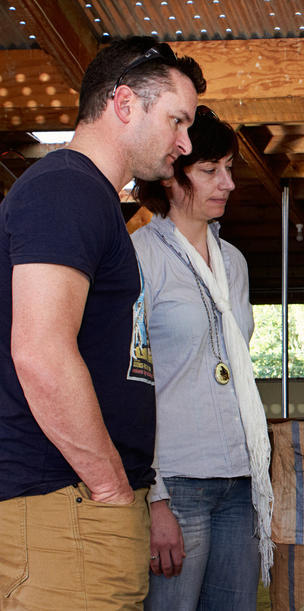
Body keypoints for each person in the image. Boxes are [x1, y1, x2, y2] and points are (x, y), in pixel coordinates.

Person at [0, 37, 205, 607]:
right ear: (123, 104)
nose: (184, 143)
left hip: (76, 504)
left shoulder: (87, 197)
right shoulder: (67, 190)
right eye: (176, 121)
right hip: (66, 505)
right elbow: (40, 351)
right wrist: (112, 486)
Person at [132, 106, 272, 609]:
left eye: (230, 168)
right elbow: (130, 388)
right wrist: (156, 498)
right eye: (211, 170)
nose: (228, 183)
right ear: (172, 177)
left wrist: (255, 478)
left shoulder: (233, 262)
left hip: (239, 477)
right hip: (177, 479)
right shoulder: (140, 258)